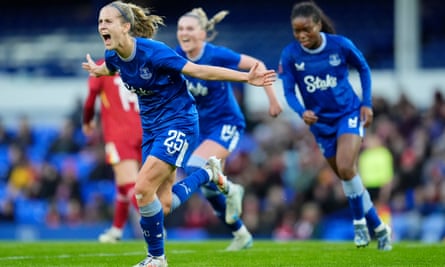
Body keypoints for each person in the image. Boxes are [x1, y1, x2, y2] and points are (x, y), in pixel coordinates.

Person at [82, 1, 276, 266]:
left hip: (179, 123)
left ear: (126, 27)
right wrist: (97, 70)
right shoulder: (114, 56)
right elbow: (111, 68)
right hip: (151, 128)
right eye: (100, 22)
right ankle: (208, 173)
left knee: (141, 188)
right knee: (163, 205)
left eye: (108, 21)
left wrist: (245, 78)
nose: (102, 26)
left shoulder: (155, 52)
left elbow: (198, 70)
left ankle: (156, 258)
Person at [278, 1, 392, 251]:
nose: (301, 36)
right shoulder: (290, 55)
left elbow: (363, 68)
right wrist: (301, 111)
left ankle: (359, 223)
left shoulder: (340, 45)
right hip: (320, 123)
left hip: (347, 114)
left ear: (318, 24)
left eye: (306, 29)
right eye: (296, 31)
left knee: (345, 167)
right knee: (346, 176)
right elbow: (287, 91)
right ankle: (381, 229)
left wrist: (366, 103)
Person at [169, 7, 283, 251]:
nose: (183, 33)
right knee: (209, 190)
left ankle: (232, 189)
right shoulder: (177, 56)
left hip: (226, 124)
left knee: (195, 167)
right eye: (180, 28)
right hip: (198, 130)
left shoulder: (216, 54)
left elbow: (258, 64)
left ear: (203, 34)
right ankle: (241, 233)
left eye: (189, 28)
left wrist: (272, 99)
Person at [82, 60, 142, 243]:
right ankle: (116, 230)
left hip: (119, 134)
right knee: (122, 183)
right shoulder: (138, 65)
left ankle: (153, 223)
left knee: (129, 182)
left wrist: (87, 121)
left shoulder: (100, 66)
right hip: (144, 130)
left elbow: (91, 98)